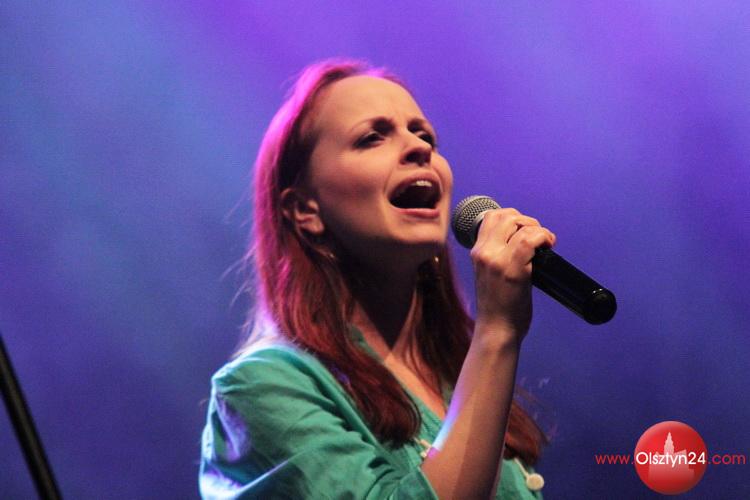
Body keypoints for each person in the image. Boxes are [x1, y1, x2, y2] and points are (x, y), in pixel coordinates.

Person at [199, 58, 555, 499]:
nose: (418, 148)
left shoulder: (456, 380)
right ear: (305, 210)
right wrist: (497, 332)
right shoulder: (263, 388)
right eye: (372, 137)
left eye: (425, 135)